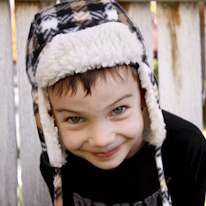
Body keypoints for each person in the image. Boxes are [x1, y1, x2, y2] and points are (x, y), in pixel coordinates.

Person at [25, 0, 206, 205]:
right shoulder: (58, 163)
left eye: (118, 109)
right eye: (75, 118)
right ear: (49, 118)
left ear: (144, 93)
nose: (102, 139)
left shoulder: (185, 147)